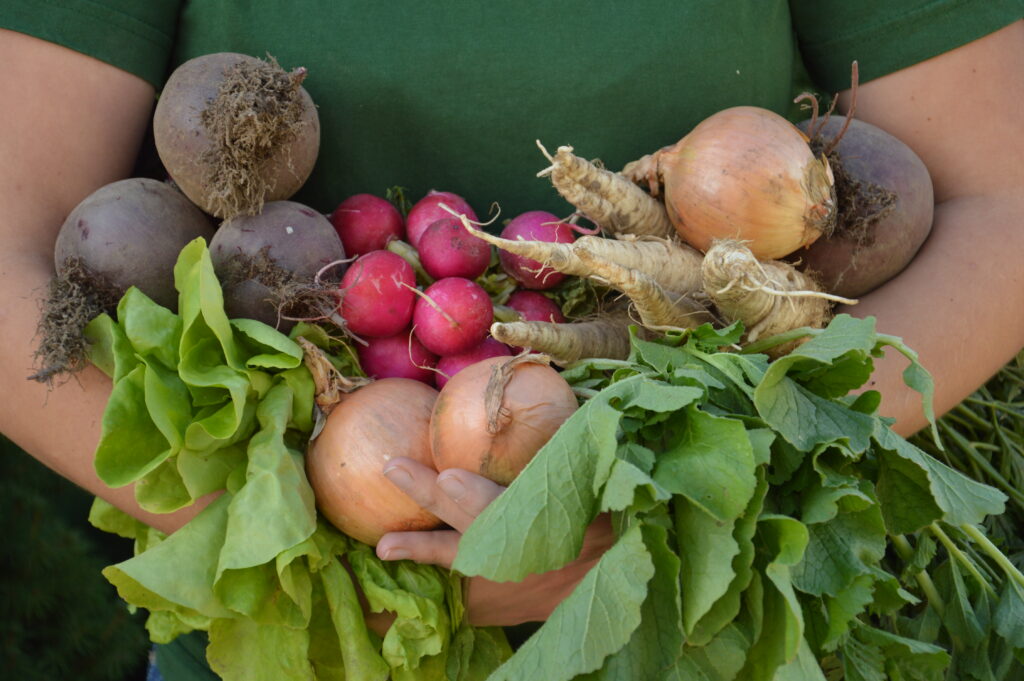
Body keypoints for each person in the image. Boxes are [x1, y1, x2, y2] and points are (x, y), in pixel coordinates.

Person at [1, 2, 1021, 678]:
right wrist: (325, 545)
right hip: (306, 646)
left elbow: (999, 203)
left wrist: (671, 503)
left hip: (696, 629)